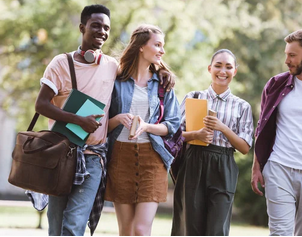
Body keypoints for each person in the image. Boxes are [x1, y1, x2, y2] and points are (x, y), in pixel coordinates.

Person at [32, 5, 174, 236]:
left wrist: (162, 71)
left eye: (106, 28)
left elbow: (139, 69)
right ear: (82, 27)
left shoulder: (110, 66)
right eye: (96, 25)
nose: (102, 31)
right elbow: (41, 105)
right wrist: (78, 120)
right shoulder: (60, 63)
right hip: (61, 154)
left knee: (74, 225)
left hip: (93, 158)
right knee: (56, 224)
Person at [251, 29, 302, 236]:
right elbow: (262, 126)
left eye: (292, 55)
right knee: (280, 232)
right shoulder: (276, 84)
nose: (286, 60)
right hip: (279, 168)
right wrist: (256, 165)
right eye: (286, 54)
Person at [104, 24, 180, 236]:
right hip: (120, 158)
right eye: (157, 45)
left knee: (140, 229)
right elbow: (100, 124)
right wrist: (118, 119)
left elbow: (173, 125)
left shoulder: (163, 83)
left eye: (162, 46)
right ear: (140, 47)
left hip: (152, 159)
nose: (162, 50)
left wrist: (147, 126)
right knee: (126, 230)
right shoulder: (116, 80)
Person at [171, 49, 254, 236]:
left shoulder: (242, 106)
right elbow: (174, 135)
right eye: (218, 65)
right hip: (194, 161)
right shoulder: (194, 97)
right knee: (189, 225)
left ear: (235, 71)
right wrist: (196, 135)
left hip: (223, 165)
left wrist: (222, 127)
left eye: (228, 67)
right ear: (210, 68)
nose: (222, 71)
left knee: (217, 228)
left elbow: (244, 147)